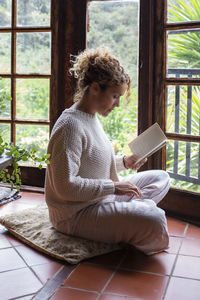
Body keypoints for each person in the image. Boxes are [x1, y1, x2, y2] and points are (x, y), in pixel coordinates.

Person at [45, 48, 170, 255]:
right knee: (155, 220)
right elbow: (65, 187)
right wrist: (113, 187)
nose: (117, 104)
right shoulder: (69, 127)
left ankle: (131, 214)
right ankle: (135, 214)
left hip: (100, 199)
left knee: (161, 177)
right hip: (75, 214)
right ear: (95, 88)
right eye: (114, 96)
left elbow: (91, 161)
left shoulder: (91, 117)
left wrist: (124, 162)